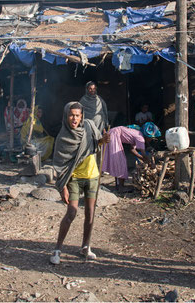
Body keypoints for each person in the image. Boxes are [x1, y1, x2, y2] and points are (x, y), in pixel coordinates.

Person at [49, 102, 110, 265]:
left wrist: (103, 139)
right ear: (66, 116)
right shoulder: (63, 137)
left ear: (82, 115)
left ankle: (85, 246)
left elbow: (97, 143)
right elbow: (60, 164)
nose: (74, 118)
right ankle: (57, 249)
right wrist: (62, 187)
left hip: (92, 176)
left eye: (77, 115)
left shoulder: (89, 126)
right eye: (71, 115)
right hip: (74, 178)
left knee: (90, 213)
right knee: (71, 213)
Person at [102, 122, 159, 193]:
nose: (151, 140)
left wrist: (141, 158)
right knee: (120, 161)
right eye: (152, 138)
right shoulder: (140, 138)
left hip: (112, 133)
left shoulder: (138, 133)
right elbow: (144, 154)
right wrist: (150, 164)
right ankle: (121, 187)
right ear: (148, 136)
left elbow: (132, 149)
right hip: (113, 135)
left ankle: (119, 185)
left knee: (117, 160)